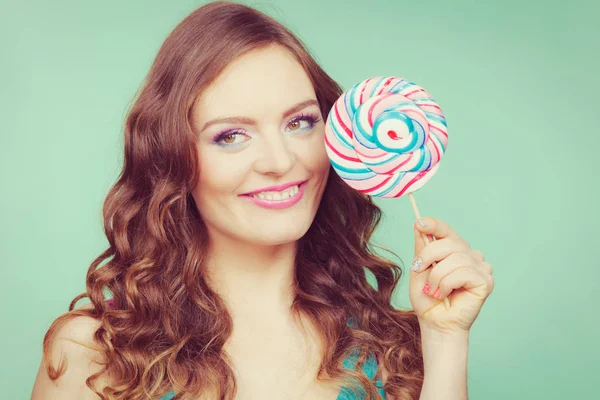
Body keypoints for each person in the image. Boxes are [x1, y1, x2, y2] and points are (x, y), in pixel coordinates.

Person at [31, 2, 494, 399]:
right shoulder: (91, 352)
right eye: (231, 135)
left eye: (299, 123)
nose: (279, 160)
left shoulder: (393, 348)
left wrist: (445, 340)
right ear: (174, 158)